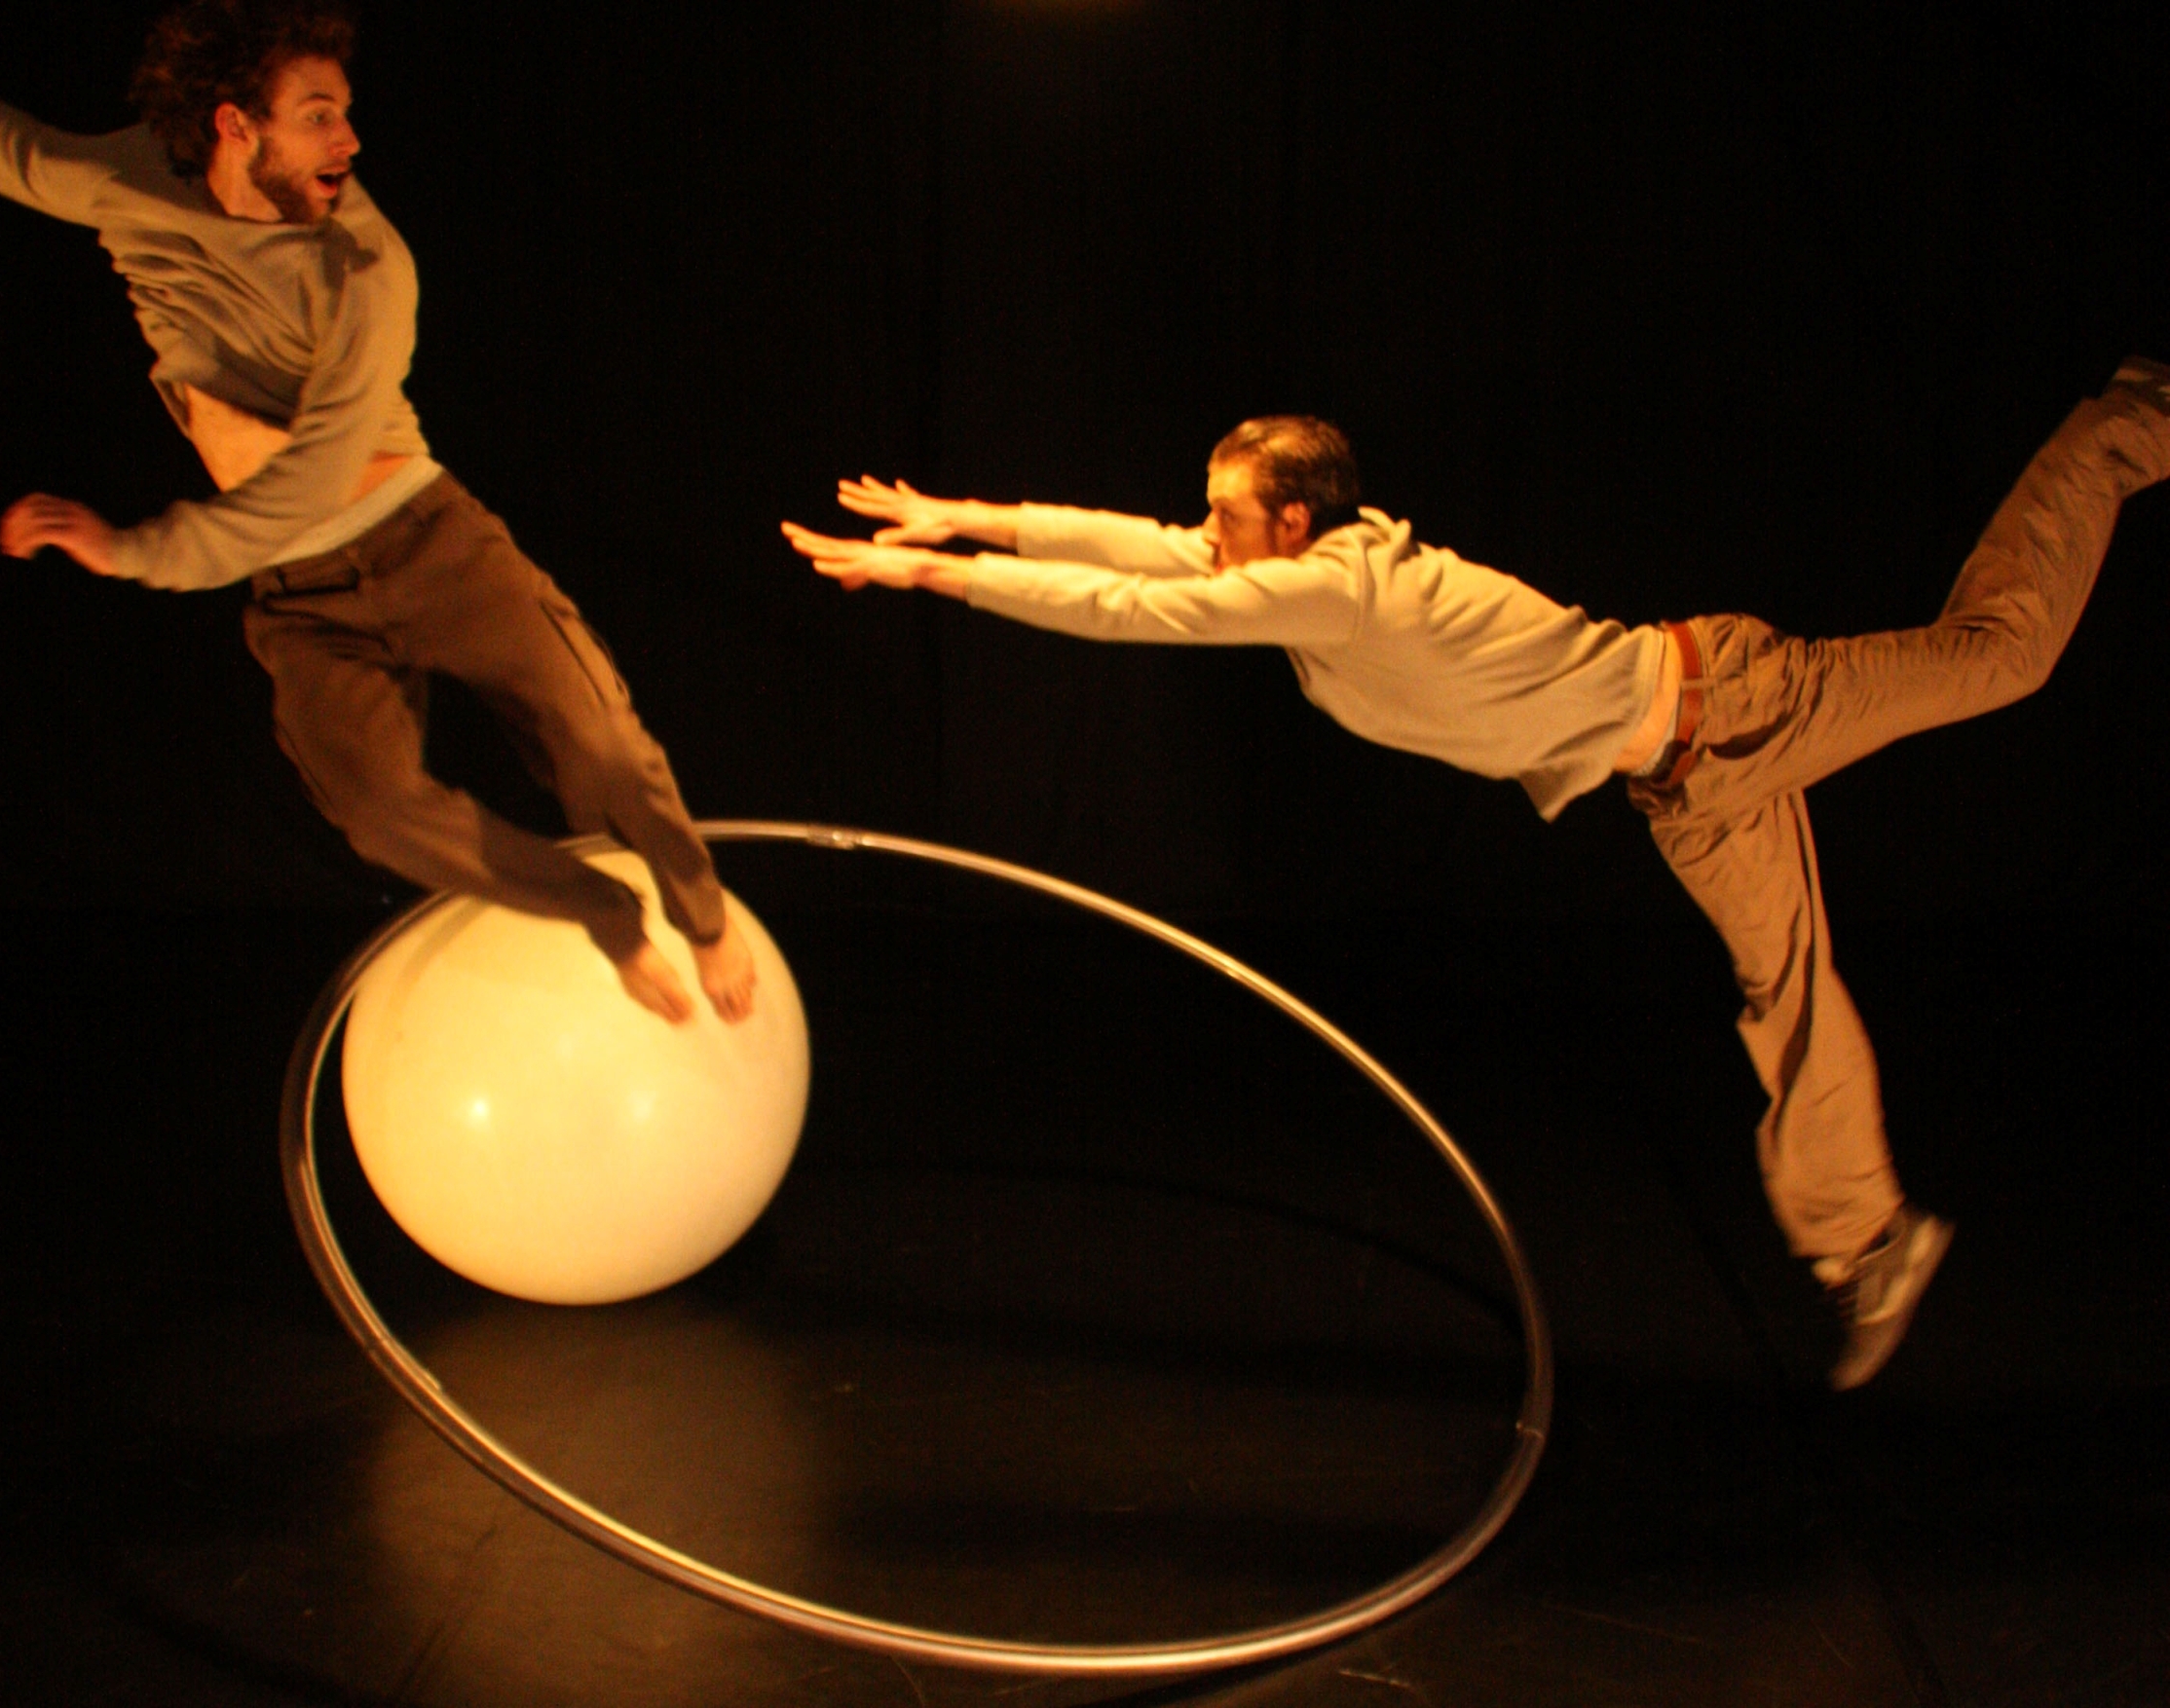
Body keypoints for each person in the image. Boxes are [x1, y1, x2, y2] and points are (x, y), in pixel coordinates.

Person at [785, 363, 2170, 1389]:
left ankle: (2131, 414)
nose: (1205, 531)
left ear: (1290, 520)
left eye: (1226, 514)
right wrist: (959, 516)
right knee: (1780, 984)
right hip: (1689, 780)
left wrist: (933, 581)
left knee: (2002, 655)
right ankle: (1869, 1241)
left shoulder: (1336, 586)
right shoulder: (1302, 563)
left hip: (1743, 703)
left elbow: (1131, 605)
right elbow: (1144, 549)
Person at [0, 0, 754, 1025]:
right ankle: (601, 911)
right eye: (319, 116)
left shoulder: (365, 265)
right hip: (298, 594)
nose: (350, 141)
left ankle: (700, 912)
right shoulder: (127, 180)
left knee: (595, 737)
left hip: (427, 539)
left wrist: (133, 549)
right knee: (376, 814)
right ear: (236, 125)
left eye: (346, 112)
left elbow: (312, 477)